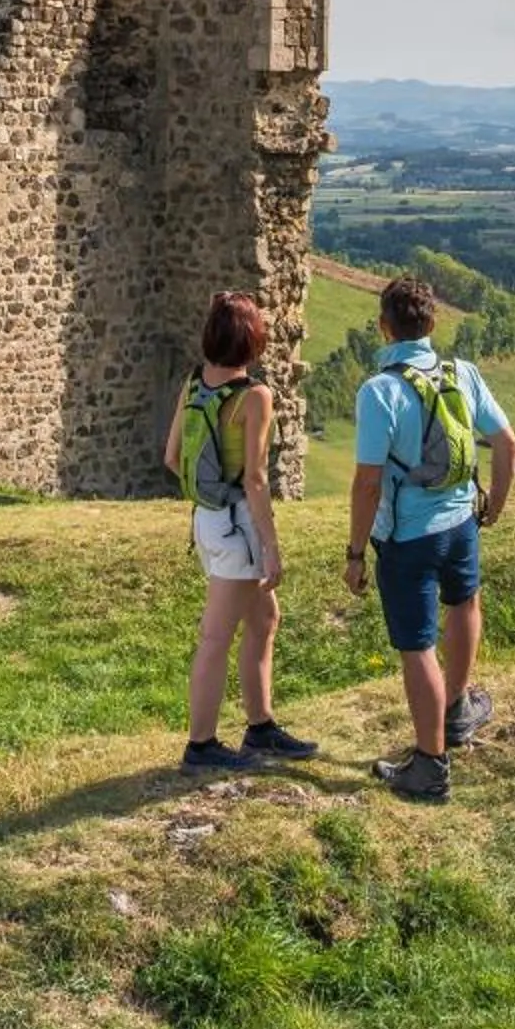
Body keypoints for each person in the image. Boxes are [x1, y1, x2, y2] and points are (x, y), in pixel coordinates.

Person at [343, 274, 515, 803]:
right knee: (464, 602)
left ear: (383, 326)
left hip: (407, 538)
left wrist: (355, 553)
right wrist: (494, 507)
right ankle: (457, 707)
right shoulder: (461, 373)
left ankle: (429, 764)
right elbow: (507, 445)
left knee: (416, 645)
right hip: (461, 521)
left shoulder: (379, 391)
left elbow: (368, 483)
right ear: (432, 323)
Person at [164, 291, 318, 773]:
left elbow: (172, 458)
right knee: (215, 636)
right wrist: (270, 546)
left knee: (264, 619)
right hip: (237, 524)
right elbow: (255, 478)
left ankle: (260, 726)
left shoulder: (192, 384)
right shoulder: (254, 396)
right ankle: (201, 745)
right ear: (253, 341)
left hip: (207, 519)